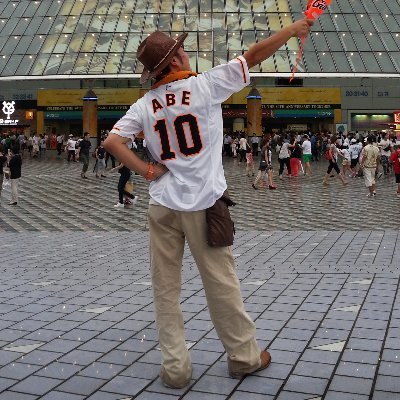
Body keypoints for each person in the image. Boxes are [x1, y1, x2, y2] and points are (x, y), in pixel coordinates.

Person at [104, 19, 312, 388]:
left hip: (162, 206)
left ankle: (176, 369)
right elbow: (254, 55)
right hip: (202, 205)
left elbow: (112, 142)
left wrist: (148, 172)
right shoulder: (205, 85)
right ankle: (245, 356)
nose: (185, 51)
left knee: (165, 289)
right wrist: (292, 29)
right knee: (221, 283)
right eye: (180, 49)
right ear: (173, 60)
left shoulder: (145, 105)